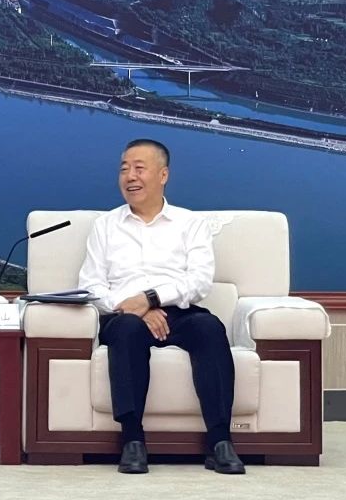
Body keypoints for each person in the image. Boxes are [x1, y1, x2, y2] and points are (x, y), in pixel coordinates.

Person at [78, 139, 245, 475]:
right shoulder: (105, 226)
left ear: (163, 175)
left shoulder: (190, 223)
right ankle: (132, 440)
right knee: (126, 330)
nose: (130, 176)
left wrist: (151, 299)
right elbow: (91, 286)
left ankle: (220, 441)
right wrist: (135, 307)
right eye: (124, 169)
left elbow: (199, 282)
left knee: (210, 328)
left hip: (178, 311)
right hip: (123, 314)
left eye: (139, 168)